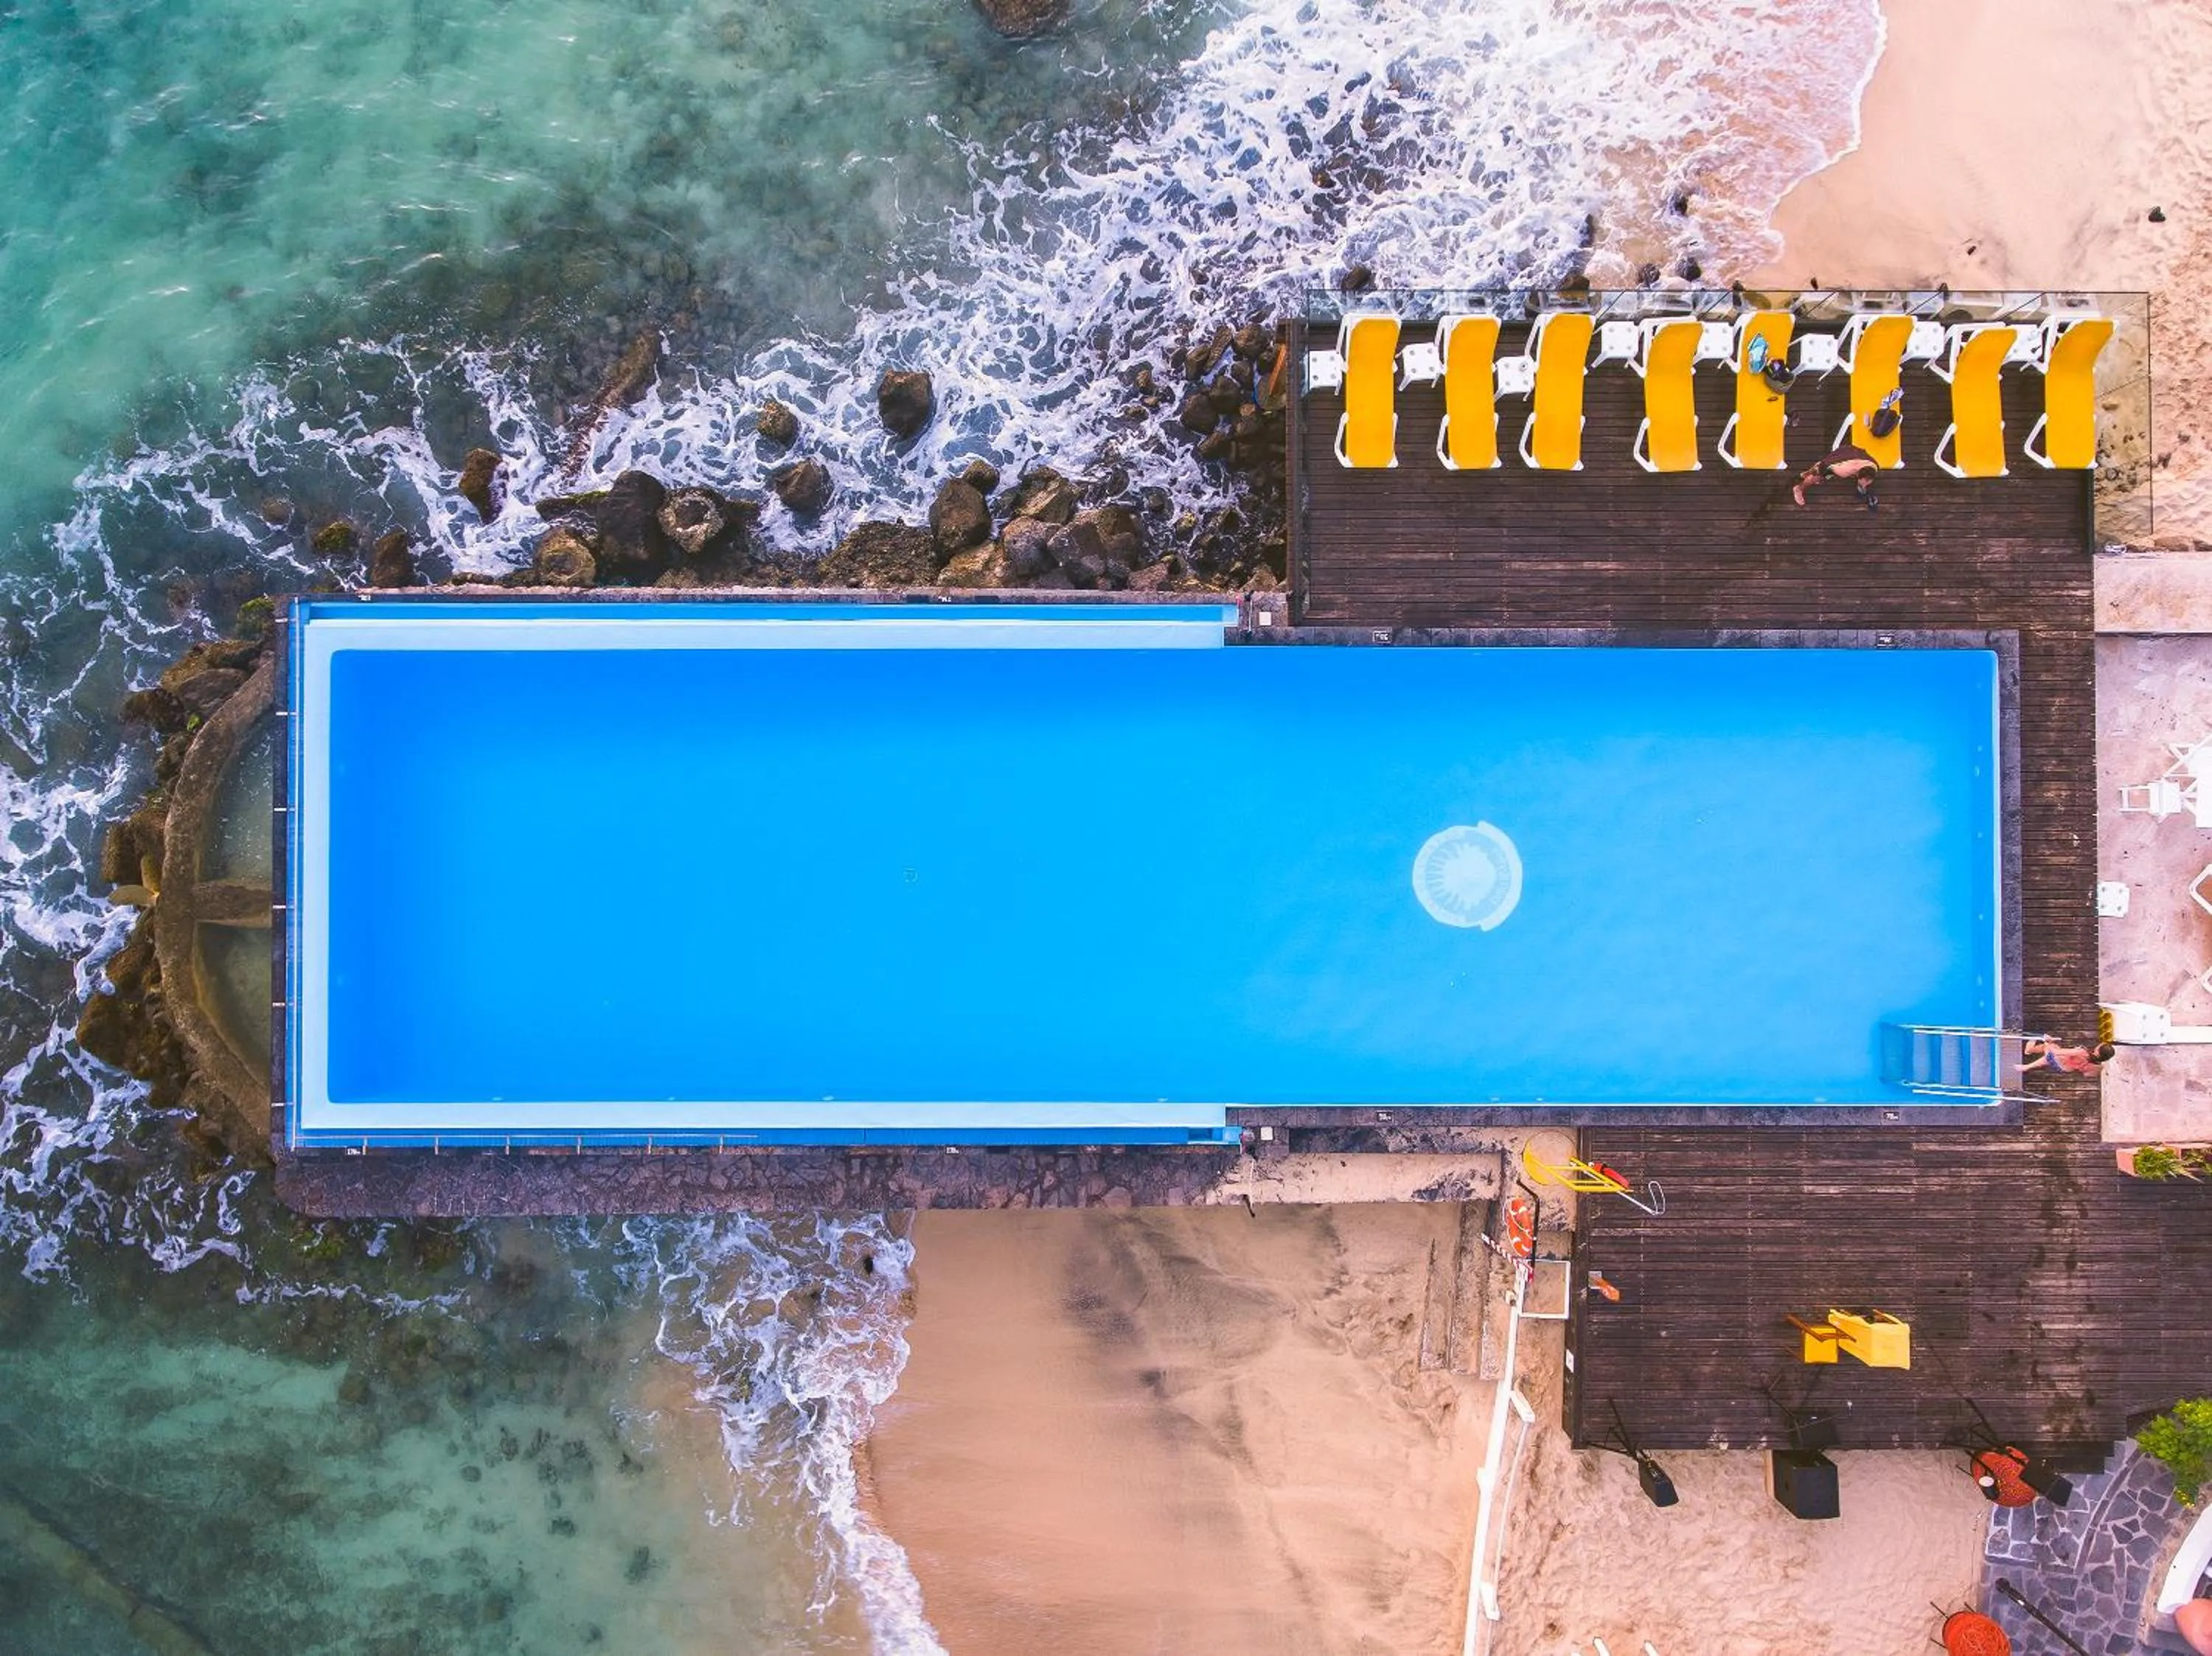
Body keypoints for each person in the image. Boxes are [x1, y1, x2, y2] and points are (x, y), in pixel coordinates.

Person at [1792, 442, 1880, 509]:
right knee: (1817, 476)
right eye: (1863, 483)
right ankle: (1799, 489)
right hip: (1839, 460)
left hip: (1851, 452)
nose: (1865, 485)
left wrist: (1862, 483)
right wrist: (1822, 475)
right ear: (1857, 474)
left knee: (1820, 467)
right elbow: (1827, 467)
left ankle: (1806, 473)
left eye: (1867, 482)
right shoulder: (1843, 471)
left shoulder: (1874, 465)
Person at [2016, 1038, 2117, 1076]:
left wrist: (2048, 1041)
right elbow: (2086, 1074)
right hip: (2063, 1069)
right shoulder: (2097, 1065)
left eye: (2100, 1046)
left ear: (2098, 1052)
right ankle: (2028, 1053)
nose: (2098, 1045)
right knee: (2054, 1049)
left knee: (2049, 1047)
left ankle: (2027, 1064)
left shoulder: (2083, 1052)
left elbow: (2057, 1052)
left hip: (2056, 1061)